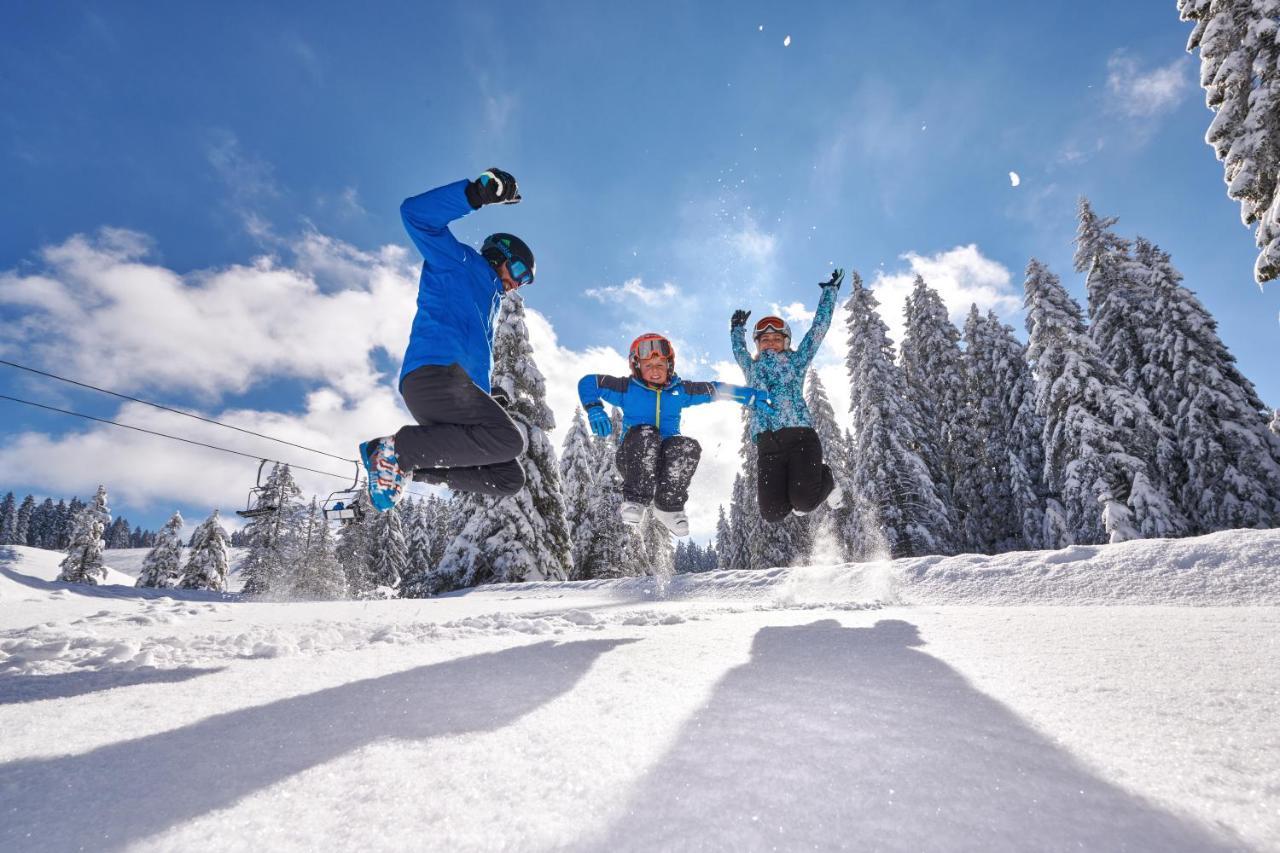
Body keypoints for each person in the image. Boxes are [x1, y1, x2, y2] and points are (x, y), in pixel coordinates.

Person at [360, 168, 533, 511]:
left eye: (525, 282)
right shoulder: (458, 262)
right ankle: (397, 450)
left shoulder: (489, 301)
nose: (517, 284)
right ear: (500, 256)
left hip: (452, 387)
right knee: (509, 439)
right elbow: (414, 215)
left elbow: (468, 347)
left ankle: (403, 464)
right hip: (433, 377)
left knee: (508, 479)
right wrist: (475, 194)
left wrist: (486, 394)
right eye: (519, 273)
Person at [578, 333, 774, 536]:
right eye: (648, 366)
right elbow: (588, 382)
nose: (655, 371)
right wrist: (594, 408)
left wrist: (748, 396)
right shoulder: (626, 388)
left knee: (687, 446)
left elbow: (714, 390)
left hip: (665, 464)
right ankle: (635, 501)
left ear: (669, 366)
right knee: (647, 434)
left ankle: (668, 507)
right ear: (637, 367)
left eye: (660, 365)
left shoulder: (679, 391)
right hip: (633, 459)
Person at [730, 269, 845, 523]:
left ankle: (827, 479)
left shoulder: (796, 360)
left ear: (786, 342)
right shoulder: (751, 367)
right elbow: (739, 352)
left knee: (803, 504)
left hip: (799, 437)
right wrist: (736, 329)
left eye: (776, 338)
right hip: (767, 446)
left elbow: (817, 331)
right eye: (764, 339)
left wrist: (829, 293)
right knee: (772, 513)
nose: (770, 342)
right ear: (757, 345)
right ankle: (807, 488)